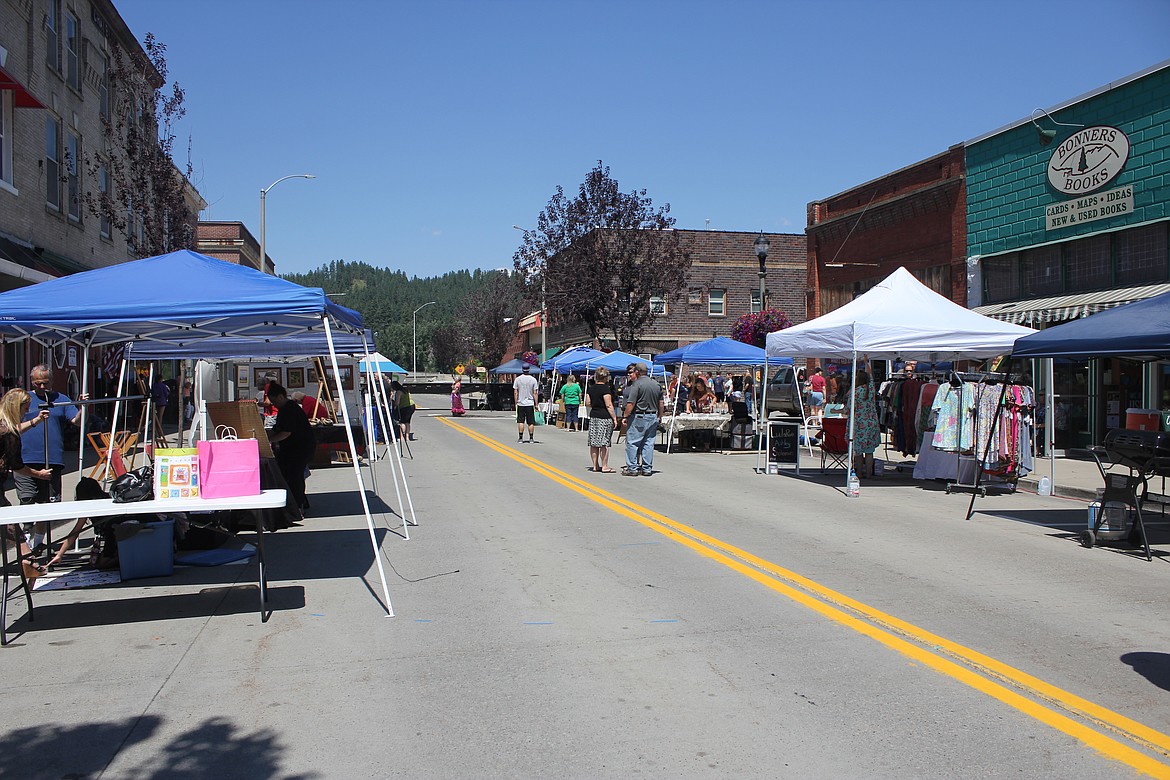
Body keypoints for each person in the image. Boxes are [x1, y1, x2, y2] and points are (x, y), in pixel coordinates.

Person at [0, 389, 53, 578]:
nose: (27, 410)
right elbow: (17, 465)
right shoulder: (9, 432)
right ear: (16, 407)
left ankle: (27, 558)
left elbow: (13, 429)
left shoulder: (4, 425)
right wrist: (39, 474)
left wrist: (34, 421)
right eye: (25, 408)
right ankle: (28, 559)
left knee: (8, 521)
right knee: (8, 521)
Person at [18, 365, 83, 508]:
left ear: (52, 381)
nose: (42, 386)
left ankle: (40, 531)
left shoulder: (61, 399)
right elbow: (12, 426)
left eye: (45, 383)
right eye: (37, 383)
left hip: (52, 460)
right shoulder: (23, 399)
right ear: (31, 382)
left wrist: (82, 407)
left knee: (48, 505)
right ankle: (28, 530)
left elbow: (77, 422)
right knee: (27, 500)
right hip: (26, 459)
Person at [265, 382, 317, 515]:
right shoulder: (285, 409)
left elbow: (286, 432)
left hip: (299, 448)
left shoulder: (290, 409)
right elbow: (280, 429)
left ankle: (297, 506)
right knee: (294, 476)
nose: (273, 404)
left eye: (274, 401)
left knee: (294, 477)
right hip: (295, 448)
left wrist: (269, 440)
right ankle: (300, 503)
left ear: (281, 397)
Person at [621, 362, 664, 476]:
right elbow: (661, 402)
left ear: (637, 372)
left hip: (639, 415)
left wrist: (625, 416)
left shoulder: (637, 384)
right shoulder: (656, 384)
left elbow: (631, 403)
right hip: (652, 416)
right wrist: (660, 416)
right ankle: (647, 468)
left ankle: (632, 468)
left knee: (632, 442)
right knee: (648, 443)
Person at [586, 367, 618, 473]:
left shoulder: (591, 388)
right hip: (604, 416)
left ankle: (595, 465)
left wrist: (595, 405)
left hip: (594, 416)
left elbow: (587, 402)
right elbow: (609, 405)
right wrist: (614, 418)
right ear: (605, 377)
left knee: (594, 443)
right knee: (604, 443)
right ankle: (604, 466)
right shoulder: (605, 389)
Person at [851, 366, 881, 478]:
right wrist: (865, 361)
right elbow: (871, 375)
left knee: (858, 451)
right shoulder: (871, 389)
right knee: (869, 451)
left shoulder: (856, 392)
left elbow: (850, 407)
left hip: (859, 424)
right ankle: (868, 473)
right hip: (871, 423)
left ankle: (859, 473)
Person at [513, 363, 540, 443]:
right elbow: (535, 393)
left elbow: (515, 392)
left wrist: (516, 402)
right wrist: (536, 404)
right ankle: (531, 438)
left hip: (521, 403)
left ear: (522, 369)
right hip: (530, 403)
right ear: (529, 369)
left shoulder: (517, 379)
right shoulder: (533, 380)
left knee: (521, 421)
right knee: (530, 422)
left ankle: (521, 438)